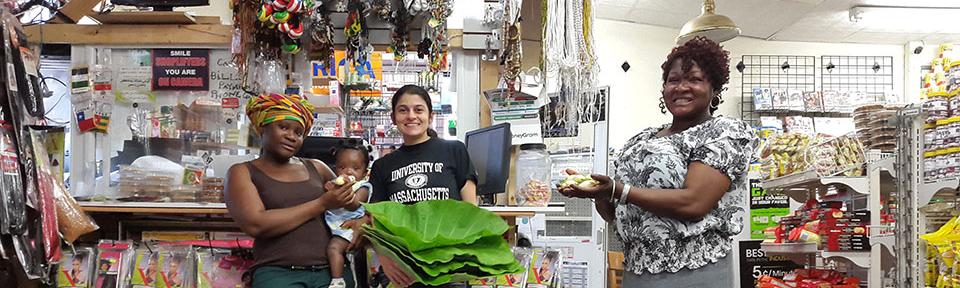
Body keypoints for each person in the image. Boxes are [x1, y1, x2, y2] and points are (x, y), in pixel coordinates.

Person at [558, 36, 758, 288]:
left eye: (694, 79)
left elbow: (694, 202)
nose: (681, 87)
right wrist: (597, 193)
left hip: (694, 272)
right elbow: (615, 215)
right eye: (673, 80)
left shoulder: (723, 132)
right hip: (636, 270)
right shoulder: (639, 140)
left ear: (715, 89)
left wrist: (619, 190)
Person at [349, 84, 479, 287]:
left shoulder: (455, 151)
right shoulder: (383, 166)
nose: (411, 116)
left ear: (431, 116)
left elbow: (471, 210)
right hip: (403, 268)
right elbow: (376, 220)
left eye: (418, 109)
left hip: (449, 264)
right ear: (393, 118)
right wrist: (385, 260)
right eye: (403, 110)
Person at [225, 93, 359, 288]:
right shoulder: (242, 172)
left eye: (299, 132)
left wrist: (350, 200)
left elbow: (353, 205)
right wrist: (322, 203)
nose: (291, 136)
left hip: (332, 274)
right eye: (283, 127)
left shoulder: (317, 167)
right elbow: (256, 224)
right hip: (278, 275)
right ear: (262, 127)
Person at [324, 139, 373, 288]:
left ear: (365, 173)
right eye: (342, 167)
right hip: (333, 226)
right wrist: (329, 188)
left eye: (355, 168)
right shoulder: (335, 183)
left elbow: (354, 205)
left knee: (334, 249)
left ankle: (338, 281)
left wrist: (340, 192)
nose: (348, 171)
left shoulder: (363, 187)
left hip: (349, 230)